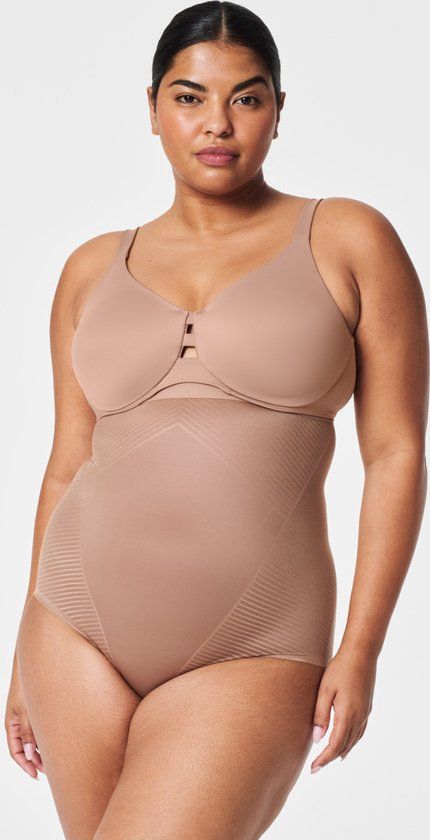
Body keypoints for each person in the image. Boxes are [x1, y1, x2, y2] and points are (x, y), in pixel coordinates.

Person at [6, 2, 428, 838]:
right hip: (72, 629)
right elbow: (66, 462)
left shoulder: (348, 238)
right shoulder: (90, 268)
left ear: (279, 109)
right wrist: (19, 657)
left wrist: (361, 649)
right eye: (190, 97)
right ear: (153, 108)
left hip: (256, 641)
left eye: (248, 98)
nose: (218, 124)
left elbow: (396, 452)